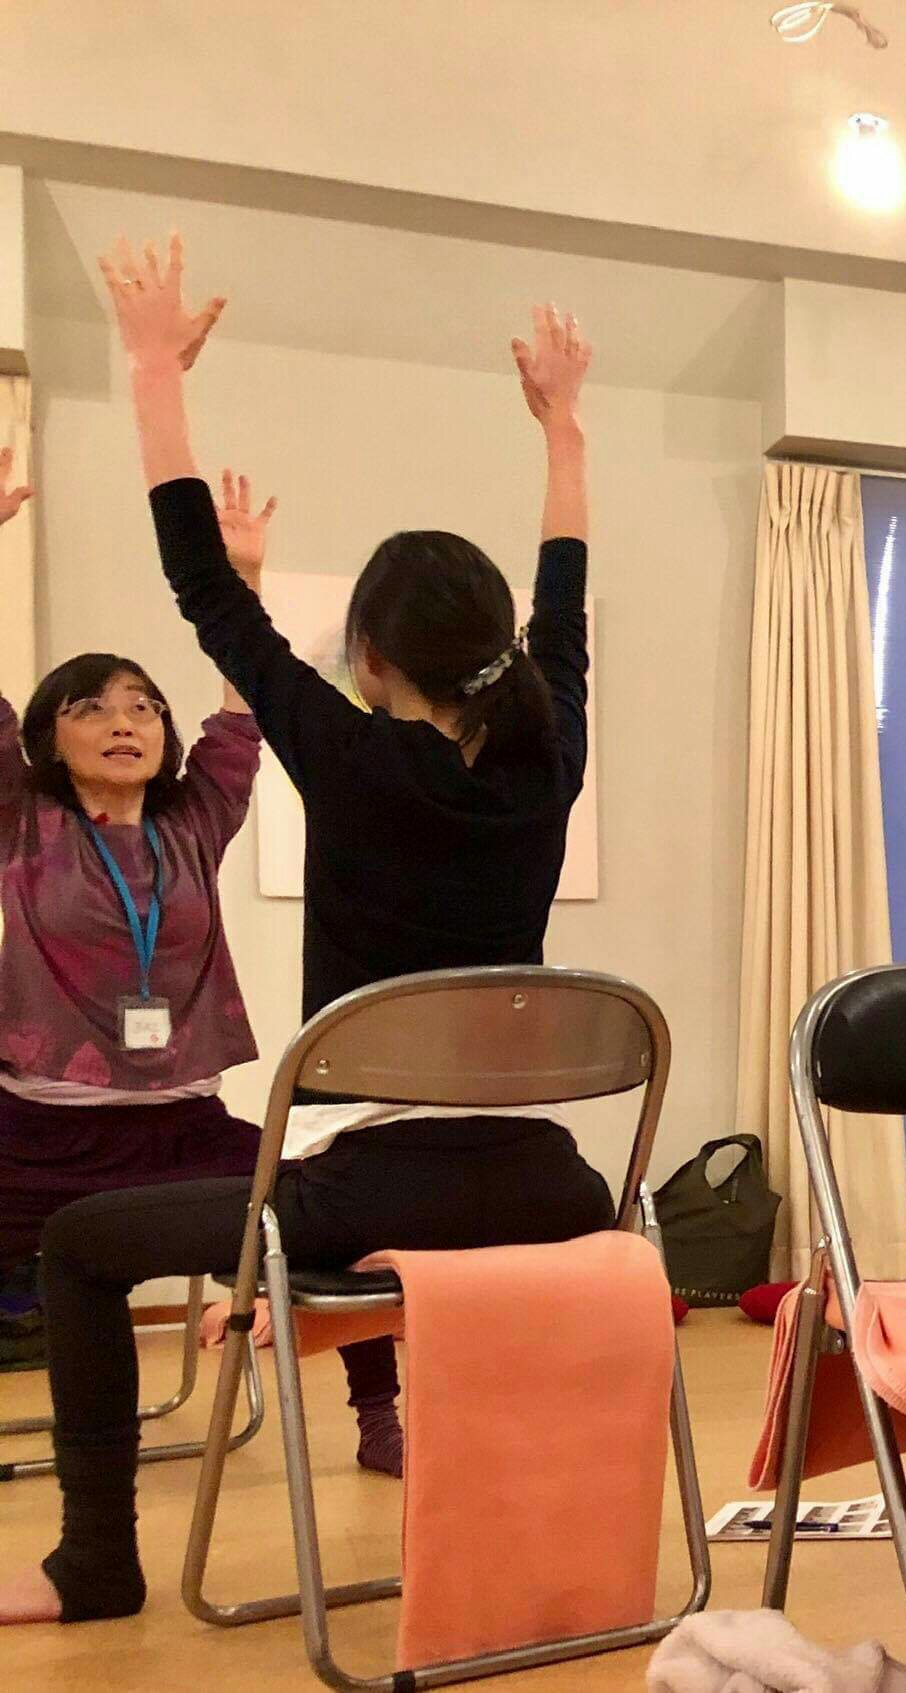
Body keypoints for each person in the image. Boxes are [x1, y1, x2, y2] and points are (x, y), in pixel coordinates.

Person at [0, 235, 611, 1626]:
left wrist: (153, 371)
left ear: (369, 662)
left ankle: (96, 1564)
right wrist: (562, 425)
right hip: (551, 1183)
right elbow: (567, 597)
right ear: (501, 652)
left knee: (80, 1247)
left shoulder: (349, 756)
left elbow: (204, 591)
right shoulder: (550, 759)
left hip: (377, 1191)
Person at [0, 455, 404, 1470]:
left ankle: (379, 1421)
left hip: (180, 1128)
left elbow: (240, 715)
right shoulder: (22, 818)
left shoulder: (195, 819)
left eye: (142, 706)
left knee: (332, 1216)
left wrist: (243, 580)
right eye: (92, 707)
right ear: (48, 737)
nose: (124, 721)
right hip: (35, 1131)